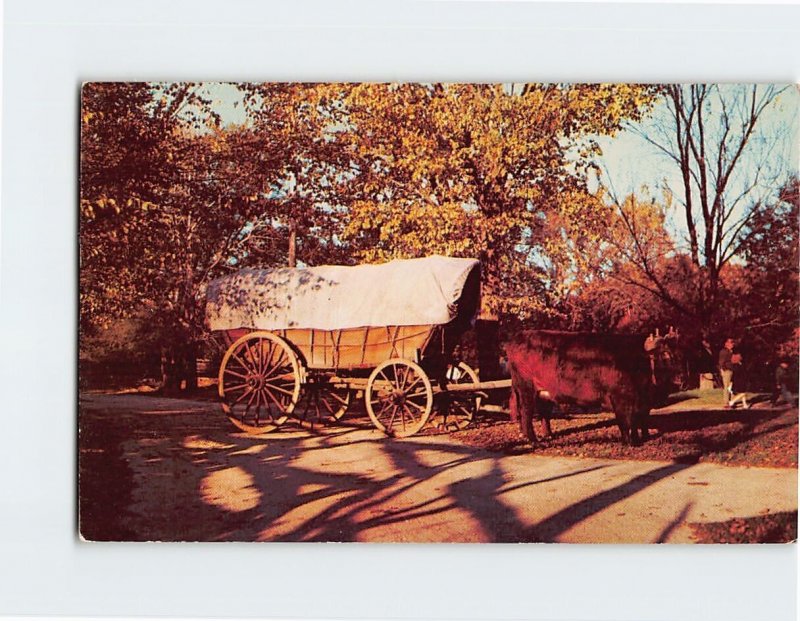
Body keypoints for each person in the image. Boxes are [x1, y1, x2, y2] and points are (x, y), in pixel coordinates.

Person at [718, 338, 735, 405]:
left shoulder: (730, 351)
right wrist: (722, 370)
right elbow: (721, 362)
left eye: (733, 343)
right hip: (726, 371)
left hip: (731, 370)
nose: (733, 344)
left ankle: (731, 401)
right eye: (731, 343)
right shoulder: (724, 352)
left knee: (731, 386)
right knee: (727, 386)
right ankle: (726, 402)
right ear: (727, 344)